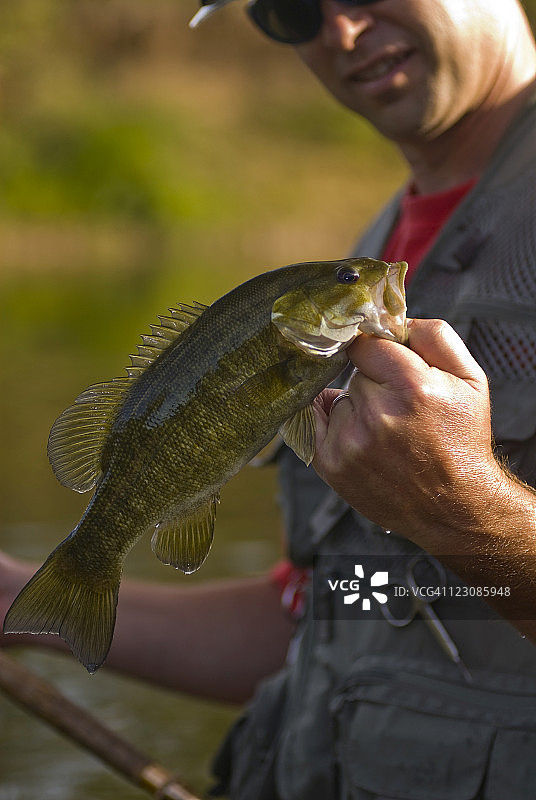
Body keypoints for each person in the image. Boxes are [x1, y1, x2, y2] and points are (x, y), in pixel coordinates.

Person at [3, 0, 536, 797]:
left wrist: (464, 512)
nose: (340, 30)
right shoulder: (377, 249)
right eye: (290, 11)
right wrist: (18, 600)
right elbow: (337, 610)